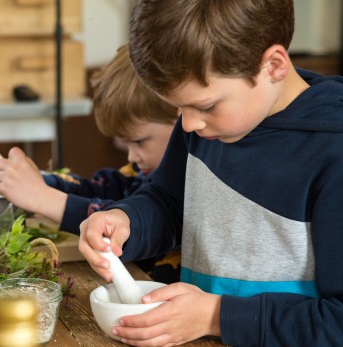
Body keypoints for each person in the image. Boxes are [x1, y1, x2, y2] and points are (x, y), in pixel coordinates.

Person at [78, 0, 343, 346]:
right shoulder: (205, 128)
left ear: (274, 65)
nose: (187, 123)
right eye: (178, 107)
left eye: (205, 106)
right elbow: (170, 203)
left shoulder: (331, 151)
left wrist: (215, 316)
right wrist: (128, 221)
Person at [0, 44, 181, 283]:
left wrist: (42, 197)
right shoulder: (141, 172)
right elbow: (100, 191)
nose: (131, 156)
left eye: (139, 141)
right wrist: (24, 182)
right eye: (127, 144)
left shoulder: (187, 186)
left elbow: (118, 218)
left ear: (181, 115)